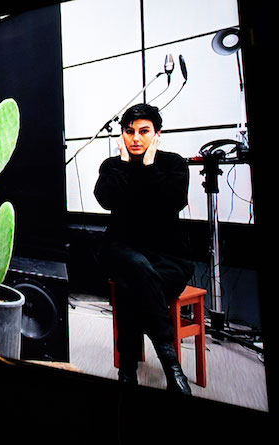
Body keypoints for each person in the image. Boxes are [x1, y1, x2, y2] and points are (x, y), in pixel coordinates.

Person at [94, 103, 194, 395]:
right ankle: (171, 364)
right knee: (135, 267)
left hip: (167, 256)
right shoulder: (113, 166)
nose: (135, 138)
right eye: (129, 131)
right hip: (121, 249)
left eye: (143, 131)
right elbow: (107, 200)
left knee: (131, 285)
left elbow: (171, 204)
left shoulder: (174, 164)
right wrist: (126, 165)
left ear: (157, 134)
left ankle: (127, 370)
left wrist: (149, 166)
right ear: (122, 135)